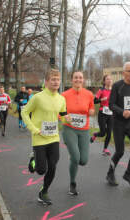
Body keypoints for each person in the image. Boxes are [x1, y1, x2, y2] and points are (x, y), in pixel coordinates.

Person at [22, 69, 70, 206]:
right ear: (47, 81)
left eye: (58, 79)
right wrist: (34, 129)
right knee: (41, 170)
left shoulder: (61, 99)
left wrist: (68, 120)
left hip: (54, 138)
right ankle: (33, 160)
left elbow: (63, 117)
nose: (56, 82)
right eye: (53, 79)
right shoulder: (38, 97)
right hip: (39, 138)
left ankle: (44, 192)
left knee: (53, 166)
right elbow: (25, 112)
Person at [105, 62, 130, 188]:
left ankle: (128, 173)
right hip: (118, 123)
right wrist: (122, 112)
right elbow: (111, 105)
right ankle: (110, 173)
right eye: (129, 71)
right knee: (120, 152)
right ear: (123, 73)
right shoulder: (117, 86)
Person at [62, 71, 95, 196]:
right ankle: (72, 183)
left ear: (83, 80)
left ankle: (74, 157)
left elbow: (91, 108)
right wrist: (65, 117)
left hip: (84, 130)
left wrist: (91, 111)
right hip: (69, 128)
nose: (78, 79)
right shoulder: (64, 95)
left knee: (83, 161)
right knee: (76, 157)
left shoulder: (89, 94)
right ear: (72, 80)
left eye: (80, 78)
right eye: (76, 77)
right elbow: (59, 113)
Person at [90, 74, 113, 156]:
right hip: (102, 113)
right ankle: (95, 134)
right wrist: (101, 99)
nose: (109, 81)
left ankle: (105, 149)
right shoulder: (101, 90)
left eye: (110, 79)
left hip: (111, 114)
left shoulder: (114, 90)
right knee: (103, 133)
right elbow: (94, 101)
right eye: (107, 79)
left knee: (109, 132)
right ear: (104, 81)